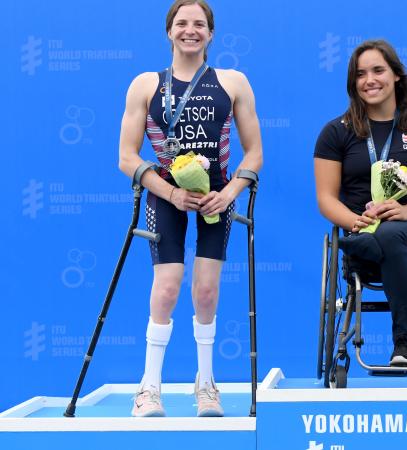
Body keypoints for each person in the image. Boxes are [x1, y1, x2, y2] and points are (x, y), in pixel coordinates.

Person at [117, 0, 262, 417]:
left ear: (211, 34)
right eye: (182, 23)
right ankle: (148, 388)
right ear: (169, 31)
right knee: (166, 288)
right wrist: (171, 193)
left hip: (218, 193)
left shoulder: (233, 82)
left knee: (206, 290)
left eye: (199, 24)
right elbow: (127, 157)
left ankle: (206, 385)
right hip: (166, 194)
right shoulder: (146, 84)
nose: (190, 30)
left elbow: (254, 154)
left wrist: (231, 191)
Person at [314, 39, 407, 367]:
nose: (369, 80)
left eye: (378, 70)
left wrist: (406, 211)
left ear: (397, 76)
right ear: (353, 82)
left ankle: (405, 344)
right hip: (359, 227)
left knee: (390, 234)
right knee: (376, 236)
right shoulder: (336, 132)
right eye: (361, 74)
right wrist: (352, 221)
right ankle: (374, 247)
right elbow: (326, 198)